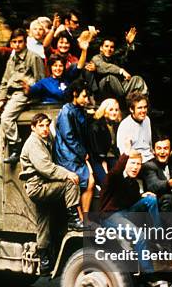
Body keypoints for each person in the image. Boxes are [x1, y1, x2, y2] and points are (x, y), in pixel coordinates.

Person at [19, 113, 89, 272]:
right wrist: (68, 174)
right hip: (38, 186)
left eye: (46, 125)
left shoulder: (45, 138)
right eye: (40, 126)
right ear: (33, 127)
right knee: (70, 184)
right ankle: (74, 219)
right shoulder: (33, 144)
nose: (44, 129)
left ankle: (44, 260)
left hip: (44, 184)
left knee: (43, 222)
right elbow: (46, 168)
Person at [99, 148, 161, 272]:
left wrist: (143, 197)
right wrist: (126, 152)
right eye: (132, 163)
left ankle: (159, 236)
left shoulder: (133, 183)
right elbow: (116, 171)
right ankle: (149, 274)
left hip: (126, 213)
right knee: (139, 235)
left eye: (138, 164)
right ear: (125, 164)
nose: (135, 167)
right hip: (111, 216)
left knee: (151, 199)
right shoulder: (113, 177)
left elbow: (132, 201)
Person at [0, 28, 46, 164]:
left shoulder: (33, 57)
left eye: (20, 42)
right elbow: (4, 81)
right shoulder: (11, 59)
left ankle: (16, 147)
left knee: (6, 118)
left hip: (24, 94)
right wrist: (1, 99)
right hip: (10, 94)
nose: (17, 45)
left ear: (25, 42)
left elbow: (41, 81)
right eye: (14, 42)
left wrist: (30, 89)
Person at [54, 80, 95, 217]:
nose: (86, 99)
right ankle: (81, 219)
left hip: (76, 154)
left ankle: (85, 217)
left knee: (90, 182)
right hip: (67, 156)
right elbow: (69, 137)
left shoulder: (79, 110)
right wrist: (83, 154)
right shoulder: (66, 111)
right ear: (74, 94)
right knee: (79, 182)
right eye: (84, 96)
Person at [91, 29, 148, 100]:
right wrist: (121, 71)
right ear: (101, 48)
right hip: (102, 90)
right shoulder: (96, 58)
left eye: (111, 47)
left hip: (120, 89)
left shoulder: (115, 59)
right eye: (106, 46)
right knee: (110, 77)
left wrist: (129, 44)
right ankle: (126, 98)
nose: (109, 49)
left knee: (137, 79)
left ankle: (143, 103)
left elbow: (127, 59)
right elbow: (103, 66)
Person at [88, 98, 122, 185]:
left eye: (116, 110)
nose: (114, 112)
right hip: (98, 159)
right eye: (111, 109)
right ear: (104, 110)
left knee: (119, 181)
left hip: (111, 156)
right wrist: (104, 165)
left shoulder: (116, 124)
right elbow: (97, 151)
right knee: (106, 182)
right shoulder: (96, 126)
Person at [116, 91, 153, 163]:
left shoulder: (147, 120)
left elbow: (149, 145)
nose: (143, 111)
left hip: (150, 157)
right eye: (140, 108)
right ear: (131, 109)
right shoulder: (125, 125)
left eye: (145, 107)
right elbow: (124, 153)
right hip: (136, 162)